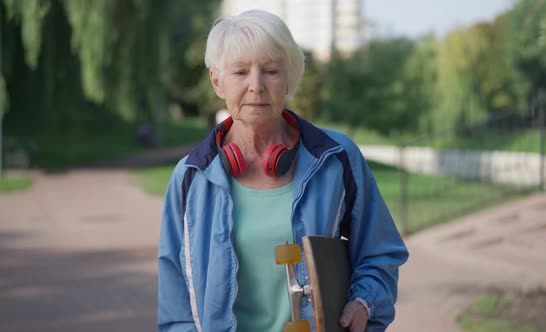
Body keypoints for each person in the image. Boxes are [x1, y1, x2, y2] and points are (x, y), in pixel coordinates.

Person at [157, 9, 409, 332]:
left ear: (289, 79)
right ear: (217, 81)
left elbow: (381, 253)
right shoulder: (190, 177)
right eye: (240, 72)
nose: (256, 86)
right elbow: (175, 306)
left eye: (271, 71)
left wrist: (363, 303)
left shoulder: (336, 159)